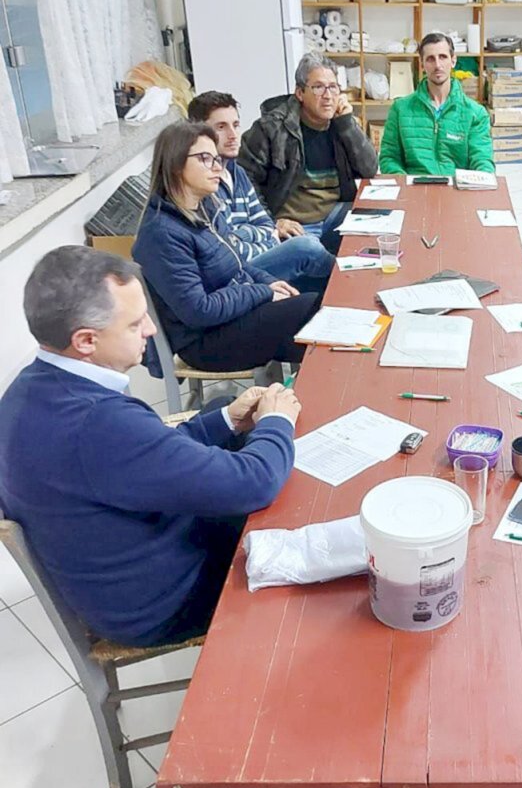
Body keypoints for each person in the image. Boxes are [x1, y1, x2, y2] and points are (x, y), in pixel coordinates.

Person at [0, 245, 302, 648]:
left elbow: (145, 454)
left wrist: (227, 419)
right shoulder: (99, 423)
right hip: (165, 603)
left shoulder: (27, 388)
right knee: (297, 512)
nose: (151, 330)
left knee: (228, 424)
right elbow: (255, 483)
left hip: (123, 566)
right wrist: (277, 419)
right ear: (86, 340)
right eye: (134, 323)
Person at [134, 122, 322, 372]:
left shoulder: (206, 208)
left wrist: (268, 283)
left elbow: (238, 263)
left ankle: (320, 392)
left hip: (232, 319)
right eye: (204, 158)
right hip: (205, 343)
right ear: (176, 164)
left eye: (216, 158)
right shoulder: (161, 232)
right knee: (313, 310)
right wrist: (263, 293)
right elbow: (199, 311)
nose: (216, 167)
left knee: (317, 326)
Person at [187, 90, 333, 294]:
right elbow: (230, 248)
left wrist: (254, 234)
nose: (232, 135)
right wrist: (268, 239)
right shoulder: (202, 182)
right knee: (306, 247)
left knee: (329, 227)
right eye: (221, 127)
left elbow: (264, 222)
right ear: (198, 133)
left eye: (236, 125)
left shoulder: (236, 170)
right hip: (237, 274)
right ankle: (350, 281)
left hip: (260, 251)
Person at [238, 53, 378, 247]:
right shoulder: (271, 128)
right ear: (300, 93)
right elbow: (244, 182)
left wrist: (346, 124)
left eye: (333, 87)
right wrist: (270, 222)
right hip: (296, 224)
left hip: (334, 215)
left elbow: (369, 169)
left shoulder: (342, 123)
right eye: (318, 87)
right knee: (311, 250)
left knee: (383, 225)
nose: (328, 96)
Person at [378, 33, 494, 176]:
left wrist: (477, 184)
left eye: (443, 57)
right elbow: (389, 158)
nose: (438, 65)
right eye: (430, 59)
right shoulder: (400, 109)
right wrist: (405, 186)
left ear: (453, 60)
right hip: (415, 190)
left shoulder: (476, 113)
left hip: (457, 191)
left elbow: (482, 161)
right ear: (421, 64)